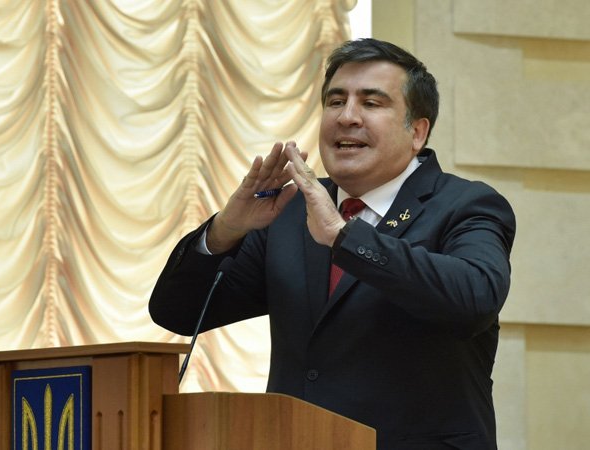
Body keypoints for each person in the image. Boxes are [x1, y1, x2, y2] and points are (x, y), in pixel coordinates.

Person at [149, 38, 516, 450]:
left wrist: (345, 237)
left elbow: (474, 299)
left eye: (371, 103)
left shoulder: (465, 205)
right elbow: (177, 313)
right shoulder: (290, 211)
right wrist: (224, 231)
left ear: (417, 131)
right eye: (335, 101)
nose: (347, 117)